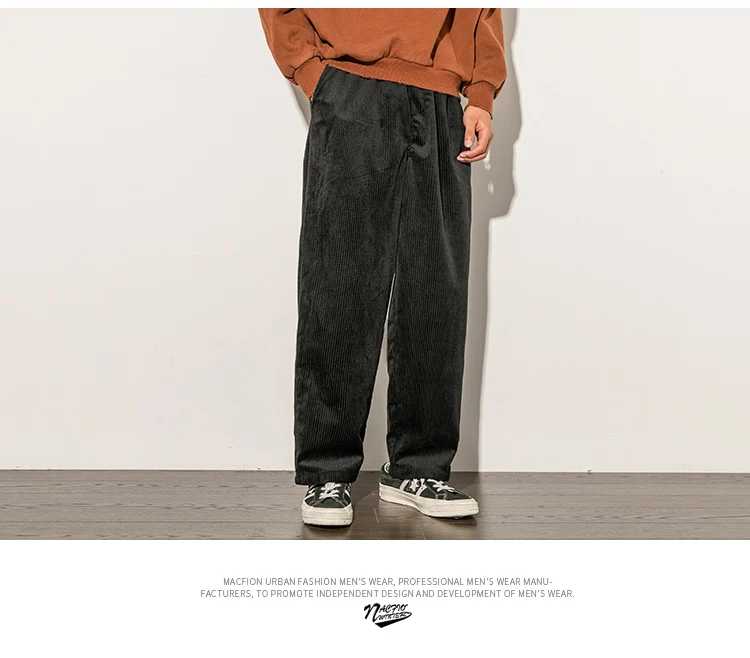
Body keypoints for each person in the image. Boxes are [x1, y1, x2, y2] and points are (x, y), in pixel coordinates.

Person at [258, 8, 507, 527]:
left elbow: (485, 11)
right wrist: (312, 72)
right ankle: (327, 472)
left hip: (442, 100)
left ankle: (418, 467)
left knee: (435, 286)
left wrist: (481, 94)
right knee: (339, 278)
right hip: (351, 86)